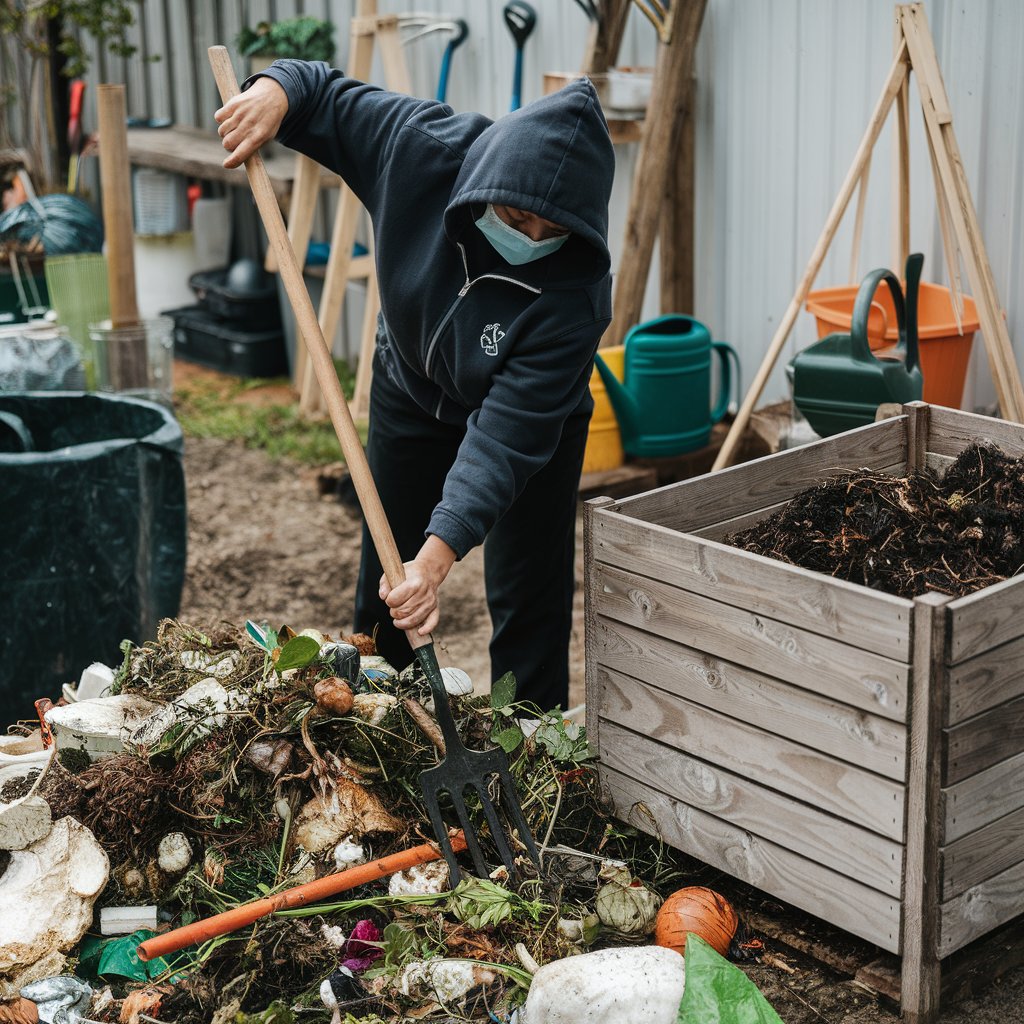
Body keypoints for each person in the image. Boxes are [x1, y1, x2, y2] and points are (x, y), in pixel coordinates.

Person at [217, 60, 614, 711]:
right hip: (410, 387)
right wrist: (273, 94)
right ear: (491, 184)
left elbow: (502, 441)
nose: (532, 239)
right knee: (389, 581)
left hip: (529, 428)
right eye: (516, 217)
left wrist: (439, 562)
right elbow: (323, 94)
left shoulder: (576, 295)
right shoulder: (424, 150)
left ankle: (535, 748)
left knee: (529, 598)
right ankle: (376, 722)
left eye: (554, 231)